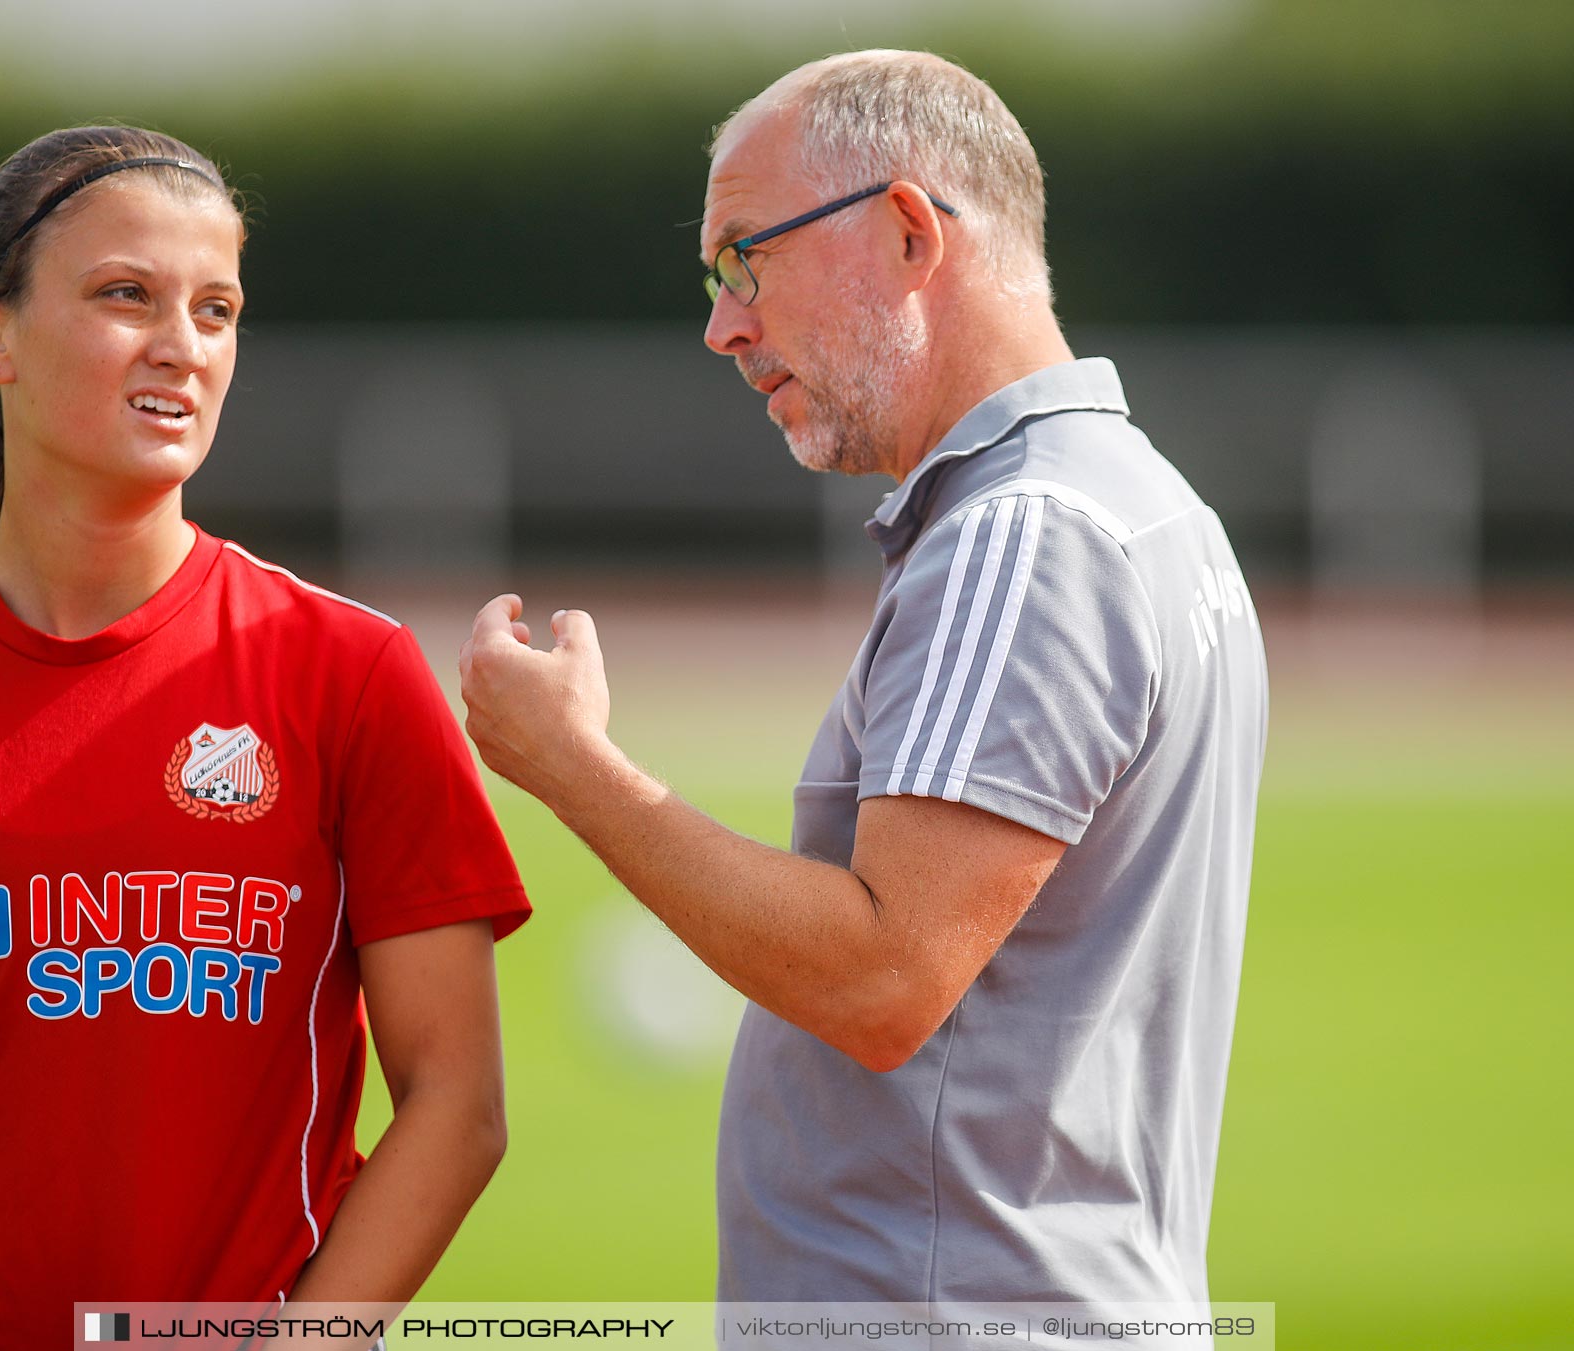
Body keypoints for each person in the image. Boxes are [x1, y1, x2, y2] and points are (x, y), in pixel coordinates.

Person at [460, 51, 1266, 1318]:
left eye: (747, 259)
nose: (723, 322)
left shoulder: (1027, 533)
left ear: (905, 233)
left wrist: (576, 768)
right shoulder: (1148, 505)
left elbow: (884, 979)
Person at [0, 126, 529, 1350]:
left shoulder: (350, 672)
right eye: (126, 296)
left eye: (217, 309)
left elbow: (458, 1105)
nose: (182, 344)